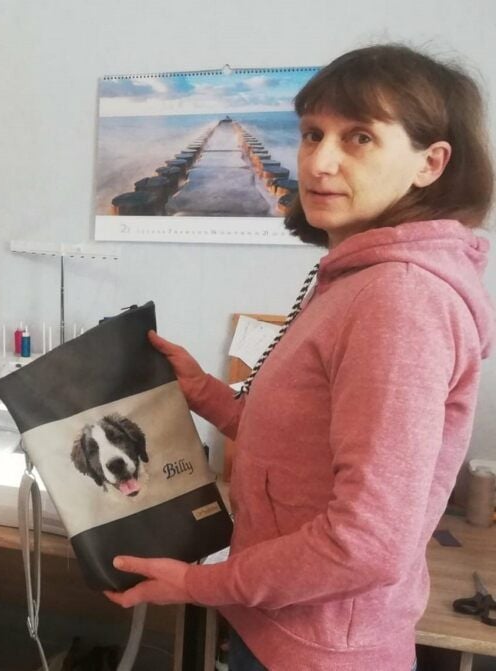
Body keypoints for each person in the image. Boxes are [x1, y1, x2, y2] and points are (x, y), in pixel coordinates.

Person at [104, 44, 495, 671]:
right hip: (285, 622)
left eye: (360, 137)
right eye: (313, 134)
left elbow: (366, 545)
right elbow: (302, 450)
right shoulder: (353, 277)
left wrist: (198, 584)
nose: (320, 161)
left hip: (319, 648)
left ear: (431, 163)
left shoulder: (399, 297)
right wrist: (203, 390)